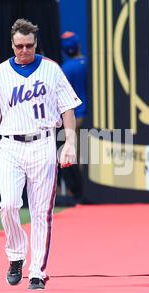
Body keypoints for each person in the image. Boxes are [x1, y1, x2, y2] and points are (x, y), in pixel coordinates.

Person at [0, 18, 81, 290]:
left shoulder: (51, 70)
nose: (24, 50)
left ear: (36, 44)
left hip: (43, 142)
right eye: (19, 45)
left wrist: (69, 142)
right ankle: (16, 255)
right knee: (8, 205)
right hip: (10, 144)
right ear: (11, 44)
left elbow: (67, 106)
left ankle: (37, 272)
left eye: (29, 45)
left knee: (41, 211)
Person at [56, 31, 88, 200]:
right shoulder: (91, 64)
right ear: (79, 46)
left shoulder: (64, 70)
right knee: (91, 156)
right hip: (93, 117)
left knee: (74, 156)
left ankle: (78, 192)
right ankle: (90, 191)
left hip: (74, 117)